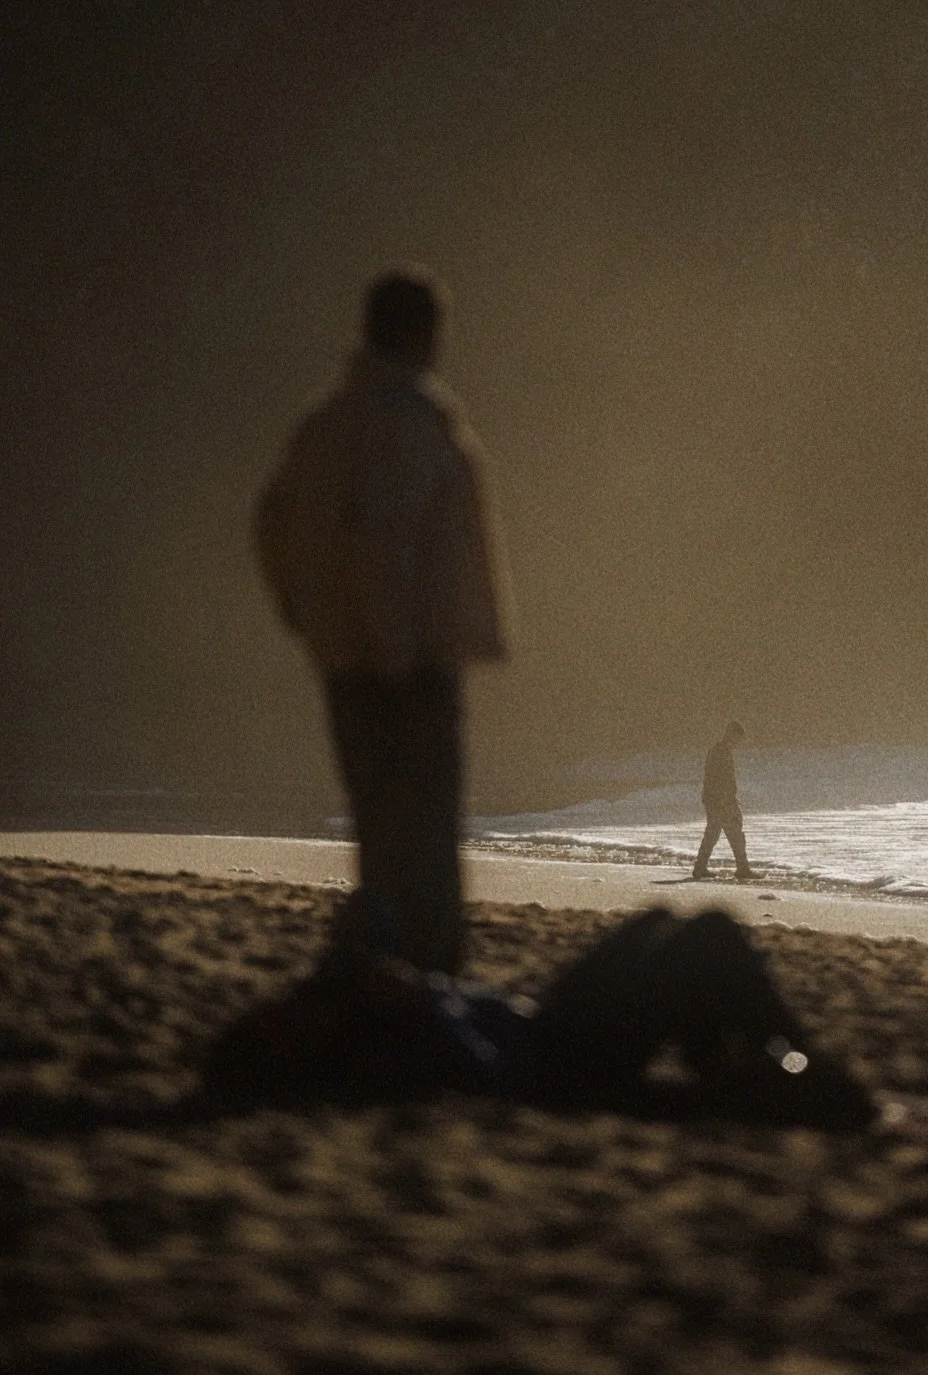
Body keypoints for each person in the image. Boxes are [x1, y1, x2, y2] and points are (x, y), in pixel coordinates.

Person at [254, 266, 509, 975]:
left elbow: (271, 523)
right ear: (421, 331)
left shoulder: (326, 421)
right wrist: (396, 656)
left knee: (378, 827)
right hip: (409, 664)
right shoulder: (404, 421)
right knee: (424, 834)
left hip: (347, 659)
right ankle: (425, 980)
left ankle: (386, 969)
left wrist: (306, 616)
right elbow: (382, 547)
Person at [202, 905, 877, 1131]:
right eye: (287, 1028)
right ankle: (804, 1064)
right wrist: (426, 1002)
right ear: (294, 1057)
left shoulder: (349, 1012)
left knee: (657, 921)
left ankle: (725, 1059)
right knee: (711, 936)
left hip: (542, 1021)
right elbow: (481, 1072)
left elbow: (372, 923)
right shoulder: (372, 1059)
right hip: (556, 1062)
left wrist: (362, 960)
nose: (294, 1012)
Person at [693, 721, 756, 881]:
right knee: (734, 833)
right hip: (720, 800)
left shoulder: (718, 750)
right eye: (737, 739)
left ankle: (700, 869)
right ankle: (742, 868)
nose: (738, 743)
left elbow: (714, 778)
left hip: (715, 799)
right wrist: (725, 798)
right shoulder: (721, 752)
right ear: (731, 734)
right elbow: (718, 779)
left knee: (713, 833)